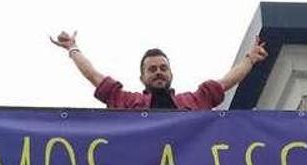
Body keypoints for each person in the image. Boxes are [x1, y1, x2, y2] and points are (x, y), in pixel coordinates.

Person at [50, 31, 268, 111]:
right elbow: (95, 77)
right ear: (142, 77)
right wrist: (72, 48)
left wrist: (250, 58)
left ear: (171, 74)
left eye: (163, 68)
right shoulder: (127, 102)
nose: (158, 72)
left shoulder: (193, 101)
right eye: (152, 69)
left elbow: (224, 84)